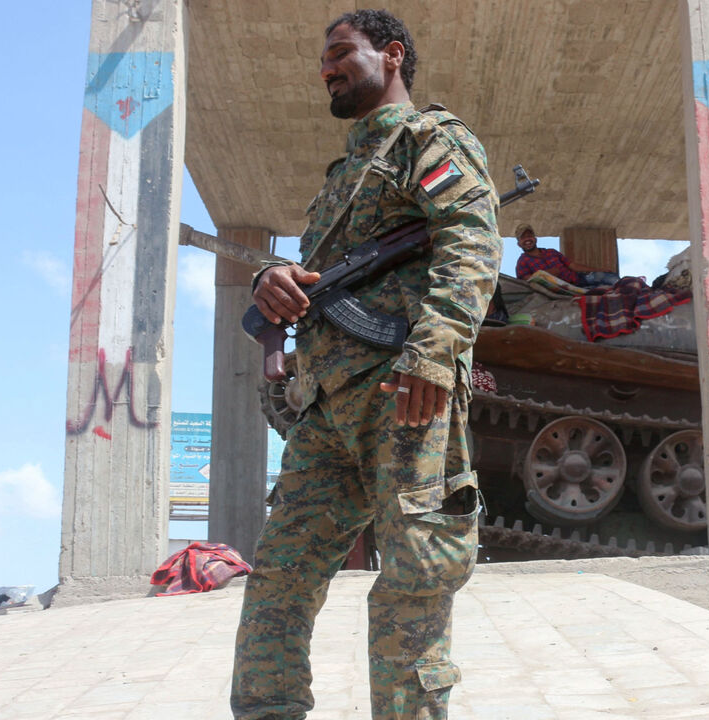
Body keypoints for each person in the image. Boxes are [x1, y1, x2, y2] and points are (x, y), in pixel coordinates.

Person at [233, 10, 500, 720]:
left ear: (392, 55)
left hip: (403, 393)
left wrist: (433, 353)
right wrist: (272, 278)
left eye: (341, 53)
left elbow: (470, 242)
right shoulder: (341, 176)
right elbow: (316, 279)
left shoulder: (430, 140)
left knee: (414, 577)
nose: (326, 68)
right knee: (280, 577)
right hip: (325, 409)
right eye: (323, 58)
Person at [513, 223, 621, 288]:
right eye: (523, 238)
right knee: (602, 291)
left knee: (612, 279)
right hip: (563, 291)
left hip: (579, 280)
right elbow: (527, 281)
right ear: (519, 244)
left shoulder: (551, 252)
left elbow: (572, 265)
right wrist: (547, 274)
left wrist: (599, 269)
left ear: (535, 239)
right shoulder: (522, 262)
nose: (527, 239)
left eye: (529, 235)